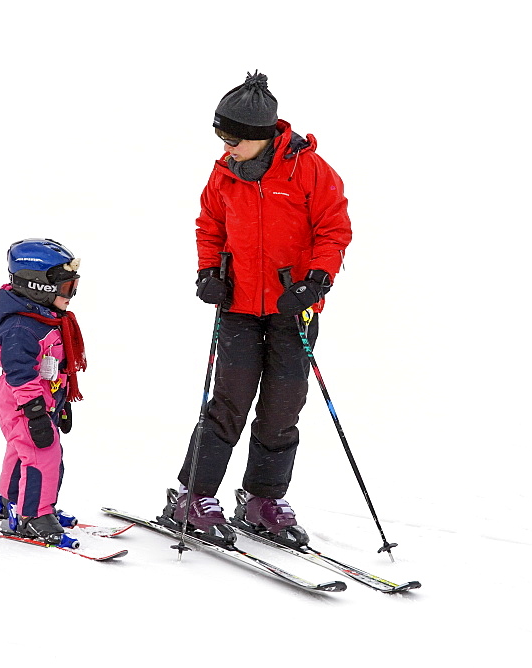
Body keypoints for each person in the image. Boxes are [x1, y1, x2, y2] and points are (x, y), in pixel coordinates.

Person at [159, 71, 353, 547]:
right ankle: (193, 495)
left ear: (263, 136)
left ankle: (262, 499)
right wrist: (209, 274)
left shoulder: (310, 171)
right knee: (229, 400)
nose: (226, 147)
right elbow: (210, 225)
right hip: (239, 307)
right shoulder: (223, 173)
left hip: (294, 310)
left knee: (282, 407)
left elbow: (334, 229)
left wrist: (315, 282)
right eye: (221, 137)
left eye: (234, 138)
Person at [0, 238, 87, 545]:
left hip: (40, 401)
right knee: (43, 453)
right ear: (39, 287)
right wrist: (35, 413)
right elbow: (20, 375)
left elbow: (54, 367)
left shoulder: (45, 319)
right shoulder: (21, 328)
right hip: (24, 402)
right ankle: (34, 515)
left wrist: (61, 403)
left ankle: (11, 500)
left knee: (23, 451)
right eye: (67, 288)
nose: (71, 295)